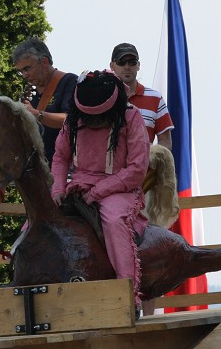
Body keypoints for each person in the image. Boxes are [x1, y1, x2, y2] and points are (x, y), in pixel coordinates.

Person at [51, 70, 151, 306]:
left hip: (120, 189)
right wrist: (57, 189)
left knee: (114, 220)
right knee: (37, 220)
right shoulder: (72, 120)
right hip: (78, 185)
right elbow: (61, 157)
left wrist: (99, 191)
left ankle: (127, 295)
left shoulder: (132, 116)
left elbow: (137, 169)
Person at [12, 37, 78, 165]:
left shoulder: (70, 82)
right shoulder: (30, 92)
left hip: (65, 167)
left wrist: (37, 115)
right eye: (20, 71)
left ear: (44, 61)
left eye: (27, 68)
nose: (24, 75)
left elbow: (72, 121)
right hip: (38, 169)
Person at [109, 42, 174, 150]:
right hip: (109, 166)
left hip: (144, 166)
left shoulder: (155, 98)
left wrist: (152, 160)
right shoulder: (104, 97)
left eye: (132, 62)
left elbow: (165, 141)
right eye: (121, 62)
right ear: (112, 66)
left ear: (138, 65)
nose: (127, 67)